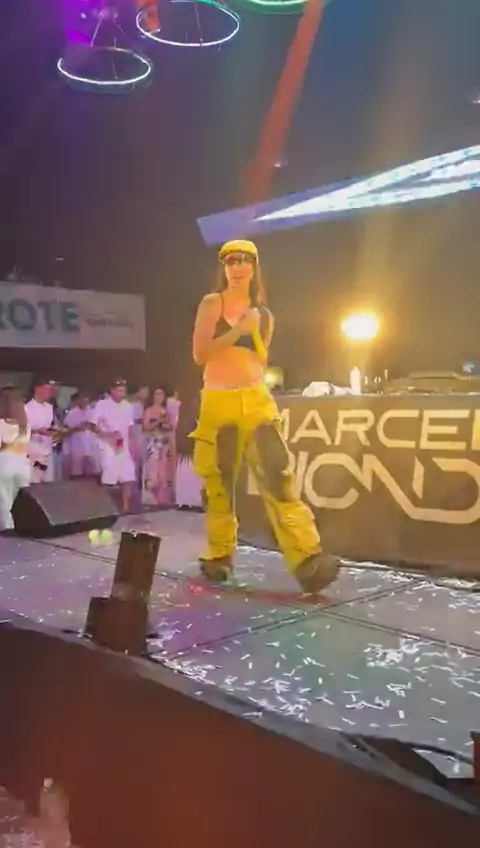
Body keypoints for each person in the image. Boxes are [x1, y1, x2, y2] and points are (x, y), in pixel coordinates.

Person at [191, 239, 339, 594]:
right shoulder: (212, 303)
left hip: (257, 401)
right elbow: (200, 354)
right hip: (219, 402)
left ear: (254, 266)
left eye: (244, 260)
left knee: (278, 477)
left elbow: (259, 360)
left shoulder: (265, 314)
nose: (237, 267)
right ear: (223, 267)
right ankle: (218, 556)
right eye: (231, 261)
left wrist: (254, 329)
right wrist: (237, 331)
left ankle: (308, 560)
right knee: (219, 485)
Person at [89, 379, 135, 513]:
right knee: (109, 476)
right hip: (106, 444)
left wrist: (131, 444)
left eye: (123, 391)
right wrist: (108, 434)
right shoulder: (102, 404)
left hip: (122, 444)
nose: (122, 393)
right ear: (112, 390)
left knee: (128, 476)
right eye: (119, 391)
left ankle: (125, 507)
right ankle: (104, 506)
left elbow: (129, 427)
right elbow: (93, 425)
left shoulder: (128, 406)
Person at [0, 386, 31, 533]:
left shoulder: (1, 423)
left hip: (4, 464)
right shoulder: (25, 424)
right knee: (21, 501)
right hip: (23, 464)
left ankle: (8, 528)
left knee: (5, 500)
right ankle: (24, 525)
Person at [142, 388, 175, 507]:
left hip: (163, 443)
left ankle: (161, 499)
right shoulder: (149, 411)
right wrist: (157, 422)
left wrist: (167, 426)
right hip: (153, 444)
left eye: (161, 394)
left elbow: (169, 428)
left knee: (163, 471)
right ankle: (148, 497)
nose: (159, 397)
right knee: (152, 470)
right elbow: (145, 428)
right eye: (157, 394)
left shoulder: (166, 411)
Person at [25, 379, 58, 483]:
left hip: (48, 450)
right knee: (35, 482)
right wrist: (38, 431)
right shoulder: (27, 408)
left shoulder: (49, 408)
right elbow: (24, 430)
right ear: (38, 389)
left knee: (49, 482)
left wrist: (56, 431)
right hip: (34, 451)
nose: (50, 392)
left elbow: (52, 424)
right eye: (47, 389)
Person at [175, 393, 203, 509]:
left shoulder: (198, 417)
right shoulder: (186, 419)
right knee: (189, 477)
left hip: (193, 450)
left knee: (190, 477)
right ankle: (188, 502)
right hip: (189, 450)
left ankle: (189, 502)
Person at [63, 391, 98, 478]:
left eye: (86, 399)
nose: (84, 401)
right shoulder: (72, 413)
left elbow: (98, 429)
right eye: (81, 399)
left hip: (91, 447)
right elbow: (65, 430)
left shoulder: (93, 412)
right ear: (78, 400)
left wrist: (91, 426)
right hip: (76, 448)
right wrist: (76, 428)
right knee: (77, 473)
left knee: (91, 474)